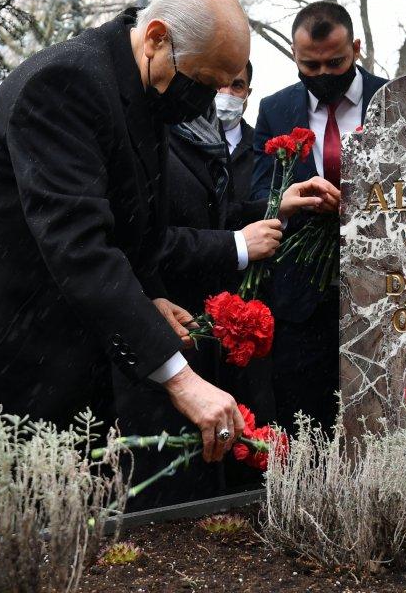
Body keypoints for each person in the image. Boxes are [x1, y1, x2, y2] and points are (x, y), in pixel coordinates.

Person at [0, 0, 335, 466]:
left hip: (57, 356)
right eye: (203, 81)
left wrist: (150, 295)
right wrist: (181, 379)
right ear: (157, 39)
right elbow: (80, 247)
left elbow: (135, 222)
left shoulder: (139, 88)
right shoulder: (67, 83)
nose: (208, 100)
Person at [117, 59, 332, 509]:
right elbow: (147, 241)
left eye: (234, 84)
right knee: (167, 495)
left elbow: (211, 216)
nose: (223, 94)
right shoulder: (154, 135)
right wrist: (236, 244)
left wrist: (277, 208)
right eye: (214, 81)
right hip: (164, 328)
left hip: (217, 339)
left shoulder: (208, 138)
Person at [252, 1, 388, 432]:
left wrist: (358, 204)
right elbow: (257, 192)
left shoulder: (393, 99)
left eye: (336, 62)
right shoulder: (274, 110)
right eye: (311, 65)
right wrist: (286, 201)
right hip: (300, 299)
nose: (324, 74)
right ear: (295, 57)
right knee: (303, 424)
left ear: (357, 49)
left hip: (380, 290)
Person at [216, 61, 256, 201]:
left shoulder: (263, 148)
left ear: (247, 93)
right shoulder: (180, 138)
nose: (227, 93)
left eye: (237, 85)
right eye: (219, 83)